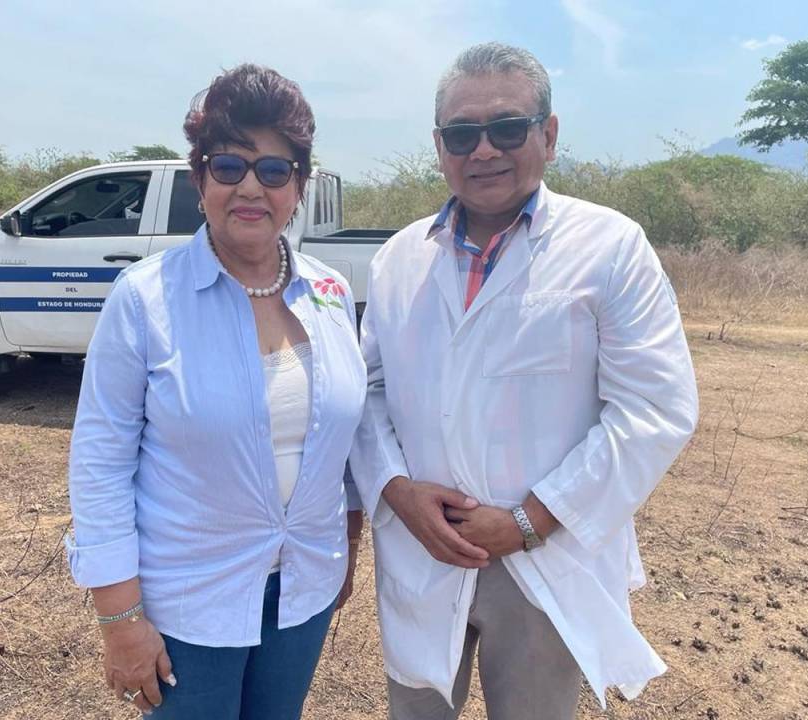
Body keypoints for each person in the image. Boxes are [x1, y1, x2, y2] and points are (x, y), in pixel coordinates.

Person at [349, 43, 699, 720]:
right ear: (438, 145)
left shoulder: (610, 247)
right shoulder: (398, 259)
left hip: (547, 559)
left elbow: (654, 409)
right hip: (425, 550)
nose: (483, 151)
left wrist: (530, 519)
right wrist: (398, 492)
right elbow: (366, 395)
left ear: (549, 133)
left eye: (507, 128)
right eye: (461, 134)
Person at [65, 64, 366, 720]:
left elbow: (345, 448)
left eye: (275, 170)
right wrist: (120, 620)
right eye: (229, 167)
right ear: (200, 178)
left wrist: (346, 548)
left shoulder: (331, 295)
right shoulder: (145, 301)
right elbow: (99, 467)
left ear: (300, 186)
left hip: (302, 594)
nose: (251, 187)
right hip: (186, 606)